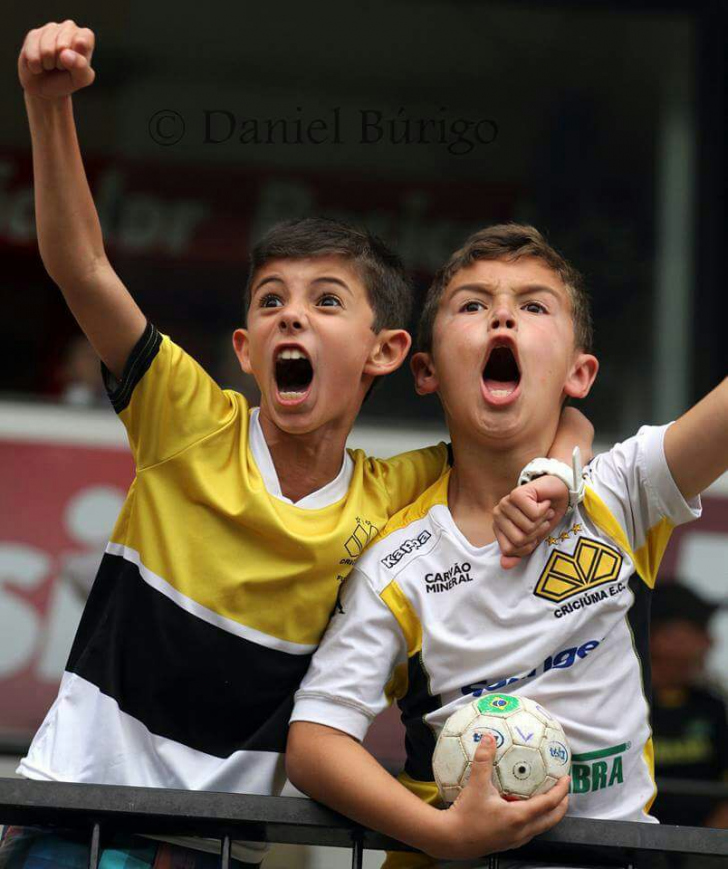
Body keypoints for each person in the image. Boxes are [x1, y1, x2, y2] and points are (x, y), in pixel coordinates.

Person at [5, 22, 591, 869]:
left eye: (325, 301)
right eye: (272, 300)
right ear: (245, 350)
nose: (291, 315)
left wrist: (555, 469)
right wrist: (47, 105)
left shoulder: (396, 493)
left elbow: (549, 423)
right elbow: (81, 265)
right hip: (78, 821)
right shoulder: (186, 418)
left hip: (217, 850)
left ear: (386, 352)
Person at [287, 223, 728, 866]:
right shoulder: (395, 563)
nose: (501, 318)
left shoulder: (620, 492)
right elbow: (314, 742)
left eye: (533, 306)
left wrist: (566, 462)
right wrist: (441, 834)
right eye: (472, 305)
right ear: (427, 370)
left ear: (579, 372)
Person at [650, 582, 728, 829]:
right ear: (659, 637)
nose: (711, 642)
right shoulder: (617, 704)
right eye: (698, 629)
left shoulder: (715, 708)